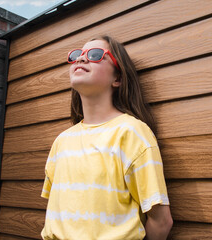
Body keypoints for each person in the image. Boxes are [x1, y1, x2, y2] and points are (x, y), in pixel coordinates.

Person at [41, 35, 173, 240]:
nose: (81, 59)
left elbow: (161, 222)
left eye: (95, 55)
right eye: (78, 55)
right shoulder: (61, 141)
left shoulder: (132, 133)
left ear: (117, 79)